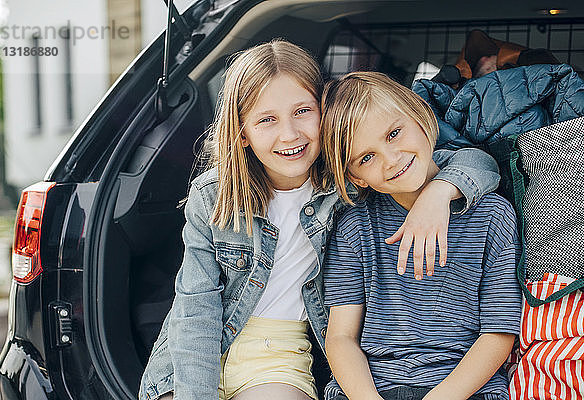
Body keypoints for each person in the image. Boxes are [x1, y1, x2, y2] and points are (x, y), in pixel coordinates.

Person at [138, 40, 502, 400]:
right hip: (192, 353)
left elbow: (475, 162)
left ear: (322, 114)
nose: (289, 134)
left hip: (279, 355)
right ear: (242, 132)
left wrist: (439, 194)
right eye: (267, 120)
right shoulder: (215, 193)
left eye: (302, 111)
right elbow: (195, 308)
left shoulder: (348, 178)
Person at [319, 71, 522, 400]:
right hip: (369, 387)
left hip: (464, 388)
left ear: (420, 114)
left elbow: (499, 333)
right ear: (355, 176)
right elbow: (341, 337)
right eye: (367, 157)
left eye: (394, 133)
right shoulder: (355, 226)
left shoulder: (492, 216)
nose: (392, 158)